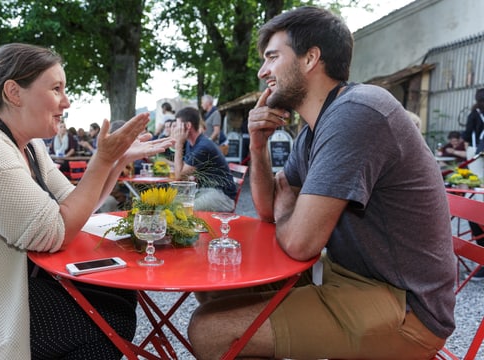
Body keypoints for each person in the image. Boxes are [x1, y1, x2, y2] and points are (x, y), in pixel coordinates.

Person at [187, 7, 455, 359]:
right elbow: (269, 208)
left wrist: (288, 210)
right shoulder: (316, 127)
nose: (262, 71)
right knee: (214, 285)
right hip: (347, 281)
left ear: (311, 57)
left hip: (404, 307)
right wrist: (258, 143)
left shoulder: (357, 112)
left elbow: (300, 243)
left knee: (209, 330)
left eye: (272, 57)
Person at [0, 43, 174, 359]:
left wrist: (113, 159)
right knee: (108, 317)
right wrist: (102, 160)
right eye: (56, 89)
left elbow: (74, 204)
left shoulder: (27, 145)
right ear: (14, 92)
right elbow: (55, 232)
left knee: (113, 296)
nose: (66, 101)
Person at [171, 107, 236, 212]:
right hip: (204, 191)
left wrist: (178, 143)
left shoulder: (203, 146)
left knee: (181, 211)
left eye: (177, 125)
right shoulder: (191, 143)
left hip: (221, 196)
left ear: (188, 126)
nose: (175, 129)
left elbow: (179, 175)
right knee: (171, 204)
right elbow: (184, 175)